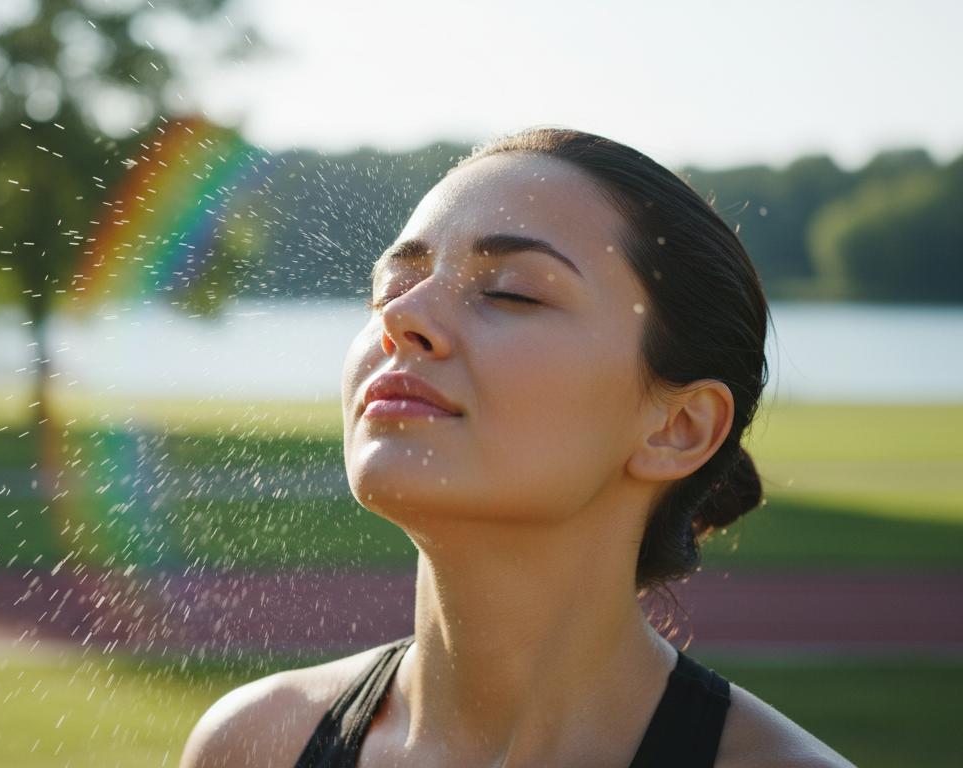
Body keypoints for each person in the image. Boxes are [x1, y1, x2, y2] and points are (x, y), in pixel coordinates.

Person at [179, 127, 854, 767]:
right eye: (393, 286)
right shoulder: (256, 745)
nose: (401, 317)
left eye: (511, 292)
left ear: (678, 428)